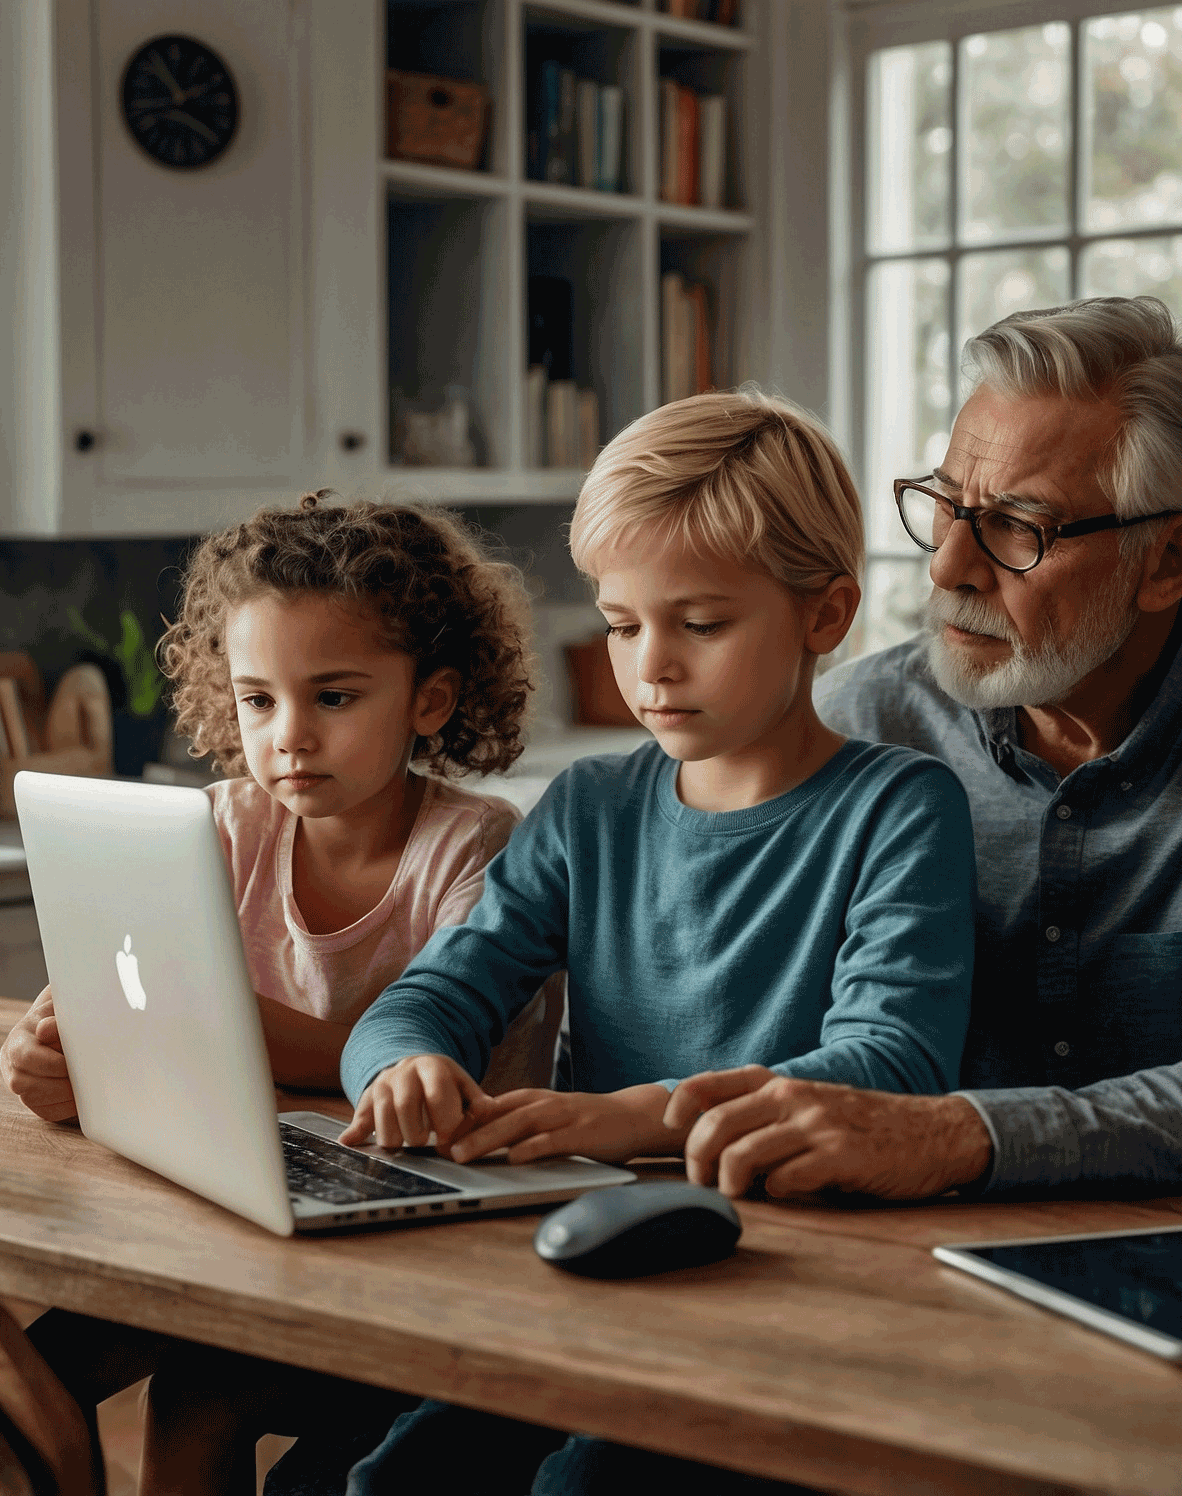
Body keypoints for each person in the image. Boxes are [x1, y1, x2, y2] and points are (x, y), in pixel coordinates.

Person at [664, 295, 1182, 1223]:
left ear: (1170, 559)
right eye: (947, 506)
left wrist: (950, 1137)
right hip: (985, 1258)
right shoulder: (861, 721)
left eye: (1015, 527)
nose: (948, 566)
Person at [312, 388, 976, 1495]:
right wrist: (407, 1065)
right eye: (621, 624)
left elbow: (891, 1064)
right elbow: (423, 1000)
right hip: (595, 1247)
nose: (650, 664)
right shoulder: (588, 809)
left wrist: (630, 1116)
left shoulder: (900, 807)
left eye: (699, 624)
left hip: (799, 1272)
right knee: (391, 1478)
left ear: (825, 613)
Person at [0, 493, 560, 1495]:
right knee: (22, 1377)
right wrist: (62, 1050)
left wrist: (230, 1029)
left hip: (420, 1230)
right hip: (247, 1198)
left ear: (427, 700)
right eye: (259, 700)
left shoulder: (470, 850)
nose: (289, 736)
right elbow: (124, 995)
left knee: (195, 1399)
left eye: (333, 697)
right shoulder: (220, 825)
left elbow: (435, 1075)